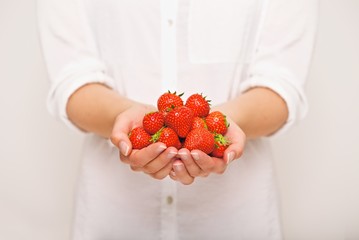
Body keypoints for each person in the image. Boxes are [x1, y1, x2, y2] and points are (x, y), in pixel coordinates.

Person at [38, 0, 318, 239]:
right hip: (115, 217)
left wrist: (216, 124)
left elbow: (282, 85)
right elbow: (72, 79)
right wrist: (122, 118)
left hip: (234, 219)